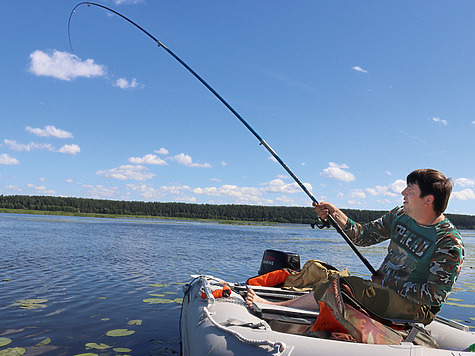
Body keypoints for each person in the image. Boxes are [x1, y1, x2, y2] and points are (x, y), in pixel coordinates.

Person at [246, 168, 464, 324]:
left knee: (345, 287)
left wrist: (386, 281)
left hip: (416, 308)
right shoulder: (400, 215)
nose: (403, 194)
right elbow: (363, 236)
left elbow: (433, 296)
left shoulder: (448, 242)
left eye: (410, 190)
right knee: (320, 271)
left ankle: (277, 307)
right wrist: (335, 213)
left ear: (428, 200)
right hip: (383, 289)